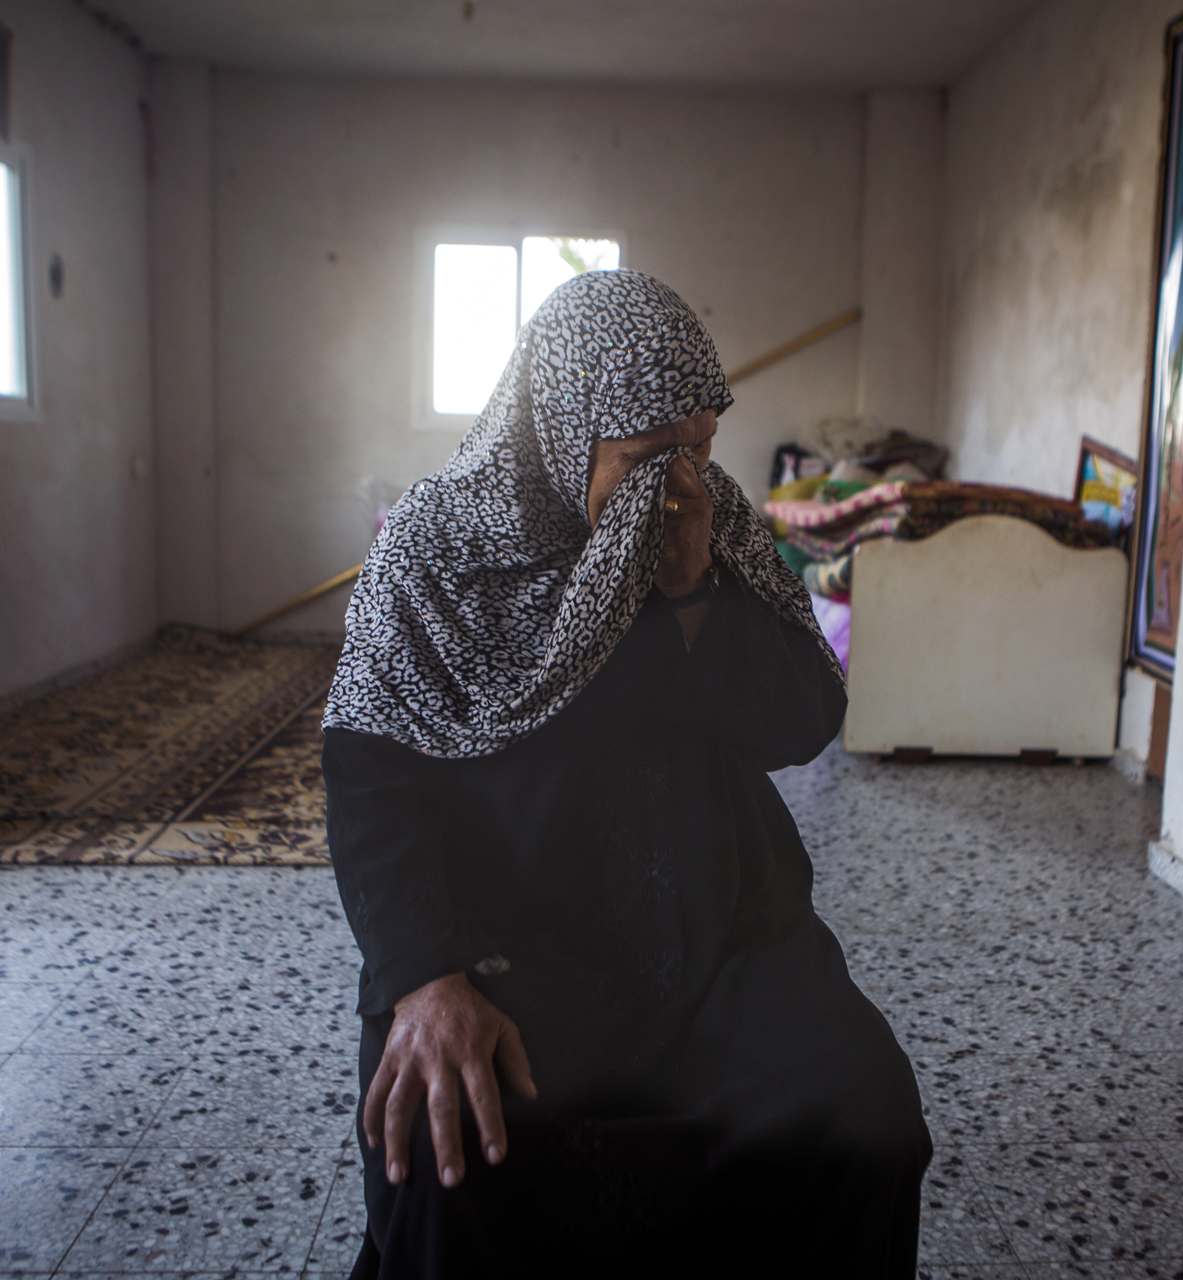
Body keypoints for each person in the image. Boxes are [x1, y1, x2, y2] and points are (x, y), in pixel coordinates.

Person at [321, 270, 931, 1278]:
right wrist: (426, 979)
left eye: (701, 444)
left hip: (716, 931)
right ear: (562, 433)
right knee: (457, 1153)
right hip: (502, 940)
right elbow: (370, 774)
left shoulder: (716, 529)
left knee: (859, 1111)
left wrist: (691, 594)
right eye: (650, 455)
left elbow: (804, 719)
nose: (684, 480)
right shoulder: (437, 551)